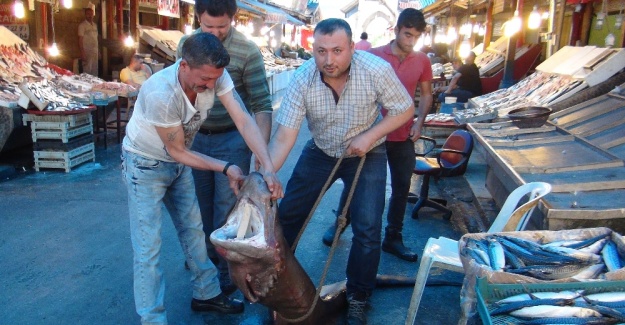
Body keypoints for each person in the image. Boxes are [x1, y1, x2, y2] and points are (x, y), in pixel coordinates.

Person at [121, 32, 283, 325]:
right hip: (145, 165)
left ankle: (206, 294)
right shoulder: (161, 92)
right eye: (205, 80)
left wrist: (268, 166)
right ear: (184, 66)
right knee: (148, 247)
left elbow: (243, 119)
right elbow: (177, 150)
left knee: (194, 230)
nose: (210, 86)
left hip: (178, 164)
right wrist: (226, 167)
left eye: (214, 80)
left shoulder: (216, 76)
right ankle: (152, 318)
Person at [267, 18, 414, 325]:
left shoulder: (375, 69)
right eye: (321, 51)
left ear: (351, 48)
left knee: (368, 228)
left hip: (367, 151)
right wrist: (266, 173)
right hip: (321, 150)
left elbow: (404, 108)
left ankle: (359, 296)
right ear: (313, 49)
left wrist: (369, 136)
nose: (328, 60)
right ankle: (277, 287)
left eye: (337, 50)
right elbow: (284, 137)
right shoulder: (302, 77)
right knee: (289, 215)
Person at [175, 0, 273, 295]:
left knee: (226, 210)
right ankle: (203, 258)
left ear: (234, 18)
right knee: (198, 207)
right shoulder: (187, 45)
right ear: (197, 19)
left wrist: (261, 153)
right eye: (208, 27)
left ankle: (225, 270)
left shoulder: (248, 51)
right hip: (195, 138)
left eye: (223, 27)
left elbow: (260, 106)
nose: (215, 34)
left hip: (232, 140)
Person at [321, 9, 433, 263]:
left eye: (415, 36)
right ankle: (340, 224)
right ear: (396, 30)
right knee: (356, 183)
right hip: (370, 136)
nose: (410, 41)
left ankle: (393, 236)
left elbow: (426, 94)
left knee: (402, 187)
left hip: (403, 136)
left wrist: (420, 122)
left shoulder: (422, 61)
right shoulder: (371, 56)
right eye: (407, 34)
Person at [77, 7, 99, 76]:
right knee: (87, 71)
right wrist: (82, 52)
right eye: (88, 14)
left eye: (91, 14)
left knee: (95, 70)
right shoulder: (82, 26)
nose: (90, 16)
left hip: (95, 51)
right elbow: (80, 39)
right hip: (87, 51)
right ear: (85, 15)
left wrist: (98, 51)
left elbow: (96, 39)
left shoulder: (95, 25)